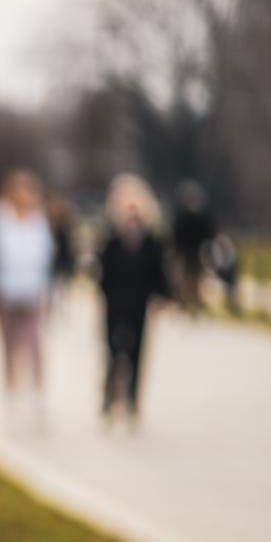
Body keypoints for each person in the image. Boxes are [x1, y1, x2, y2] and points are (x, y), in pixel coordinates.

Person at [0, 169, 70, 433]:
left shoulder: (43, 221)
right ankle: (11, 401)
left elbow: (56, 254)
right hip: (5, 293)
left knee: (35, 346)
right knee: (9, 349)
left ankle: (37, 401)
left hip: (34, 293)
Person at [97, 174, 171, 427]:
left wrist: (163, 298)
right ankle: (109, 393)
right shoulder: (111, 241)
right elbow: (102, 273)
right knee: (113, 350)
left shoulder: (151, 242)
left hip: (139, 304)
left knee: (138, 352)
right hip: (115, 304)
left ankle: (132, 399)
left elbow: (159, 273)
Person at [171, 180, 216, 314]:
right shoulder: (182, 216)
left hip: (197, 252)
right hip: (185, 252)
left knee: (196, 279)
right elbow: (176, 234)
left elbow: (209, 233)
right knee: (184, 278)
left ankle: (194, 303)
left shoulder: (201, 216)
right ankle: (185, 302)